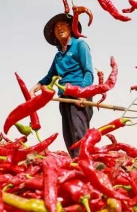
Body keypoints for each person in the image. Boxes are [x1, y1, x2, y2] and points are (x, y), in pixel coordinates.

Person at [32, 13, 94, 157]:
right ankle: (75, 168)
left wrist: (82, 94)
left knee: (80, 135)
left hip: (79, 96)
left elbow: (89, 72)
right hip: (64, 98)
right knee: (69, 136)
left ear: (71, 29)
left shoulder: (80, 45)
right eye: (56, 28)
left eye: (62, 25)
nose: (59, 28)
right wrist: (36, 86)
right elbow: (50, 76)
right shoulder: (58, 56)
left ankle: (84, 168)